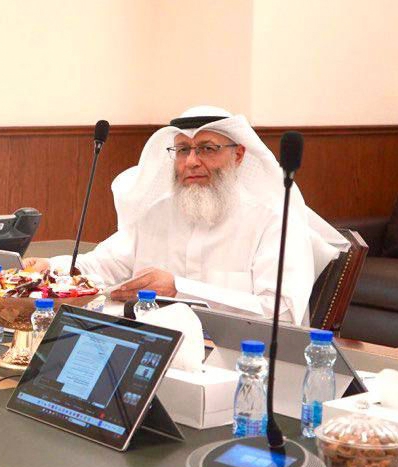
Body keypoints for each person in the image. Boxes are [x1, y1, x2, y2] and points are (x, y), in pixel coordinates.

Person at [23, 106, 347, 325]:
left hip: (238, 363)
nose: (191, 161)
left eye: (207, 148)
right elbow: (104, 266)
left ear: (238, 155)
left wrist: (180, 290)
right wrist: (51, 268)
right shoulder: (158, 212)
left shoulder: (274, 220)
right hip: (156, 351)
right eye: (182, 150)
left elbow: (283, 315)